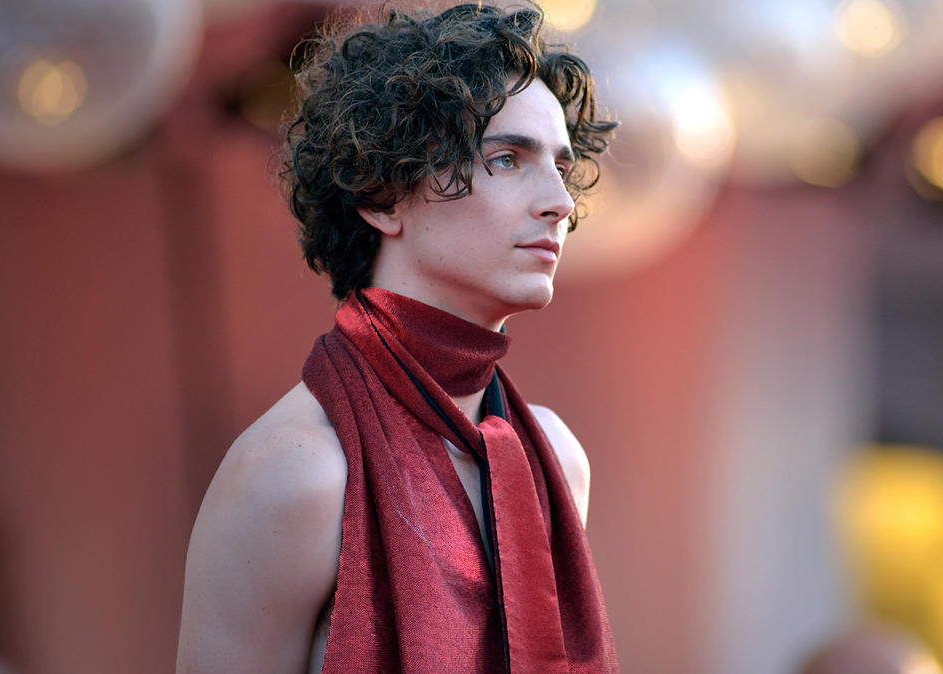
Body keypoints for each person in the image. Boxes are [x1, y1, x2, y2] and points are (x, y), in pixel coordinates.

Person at [176, 3, 618, 672]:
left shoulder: (555, 458)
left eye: (561, 165)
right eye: (507, 160)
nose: (560, 201)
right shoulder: (292, 476)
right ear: (384, 195)